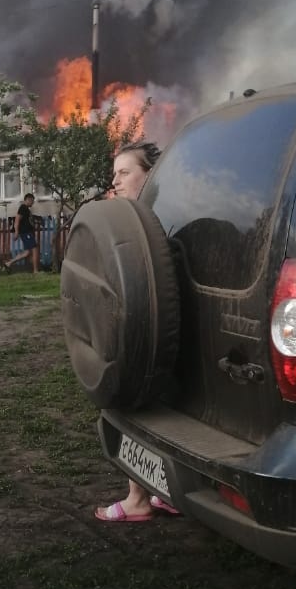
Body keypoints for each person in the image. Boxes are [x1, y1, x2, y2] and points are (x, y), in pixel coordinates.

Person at [95, 142, 179, 522]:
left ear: (150, 174)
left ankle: (139, 501)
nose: (115, 180)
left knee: (135, 408)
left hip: (155, 336)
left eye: (124, 172)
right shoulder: (139, 218)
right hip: (148, 333)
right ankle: (160, 494)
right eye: (115, 173)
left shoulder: (158, 220)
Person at [4, 193, 40, 272]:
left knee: (27, 252)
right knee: (34, 249)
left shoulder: (26, 209)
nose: (33, 203)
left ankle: (9, 263)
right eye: (32, 201)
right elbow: (17, 220)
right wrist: (16, 232)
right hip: (26, 233)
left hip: (27, 232)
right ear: (28, 200)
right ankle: (35, 271)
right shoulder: (23, 208)